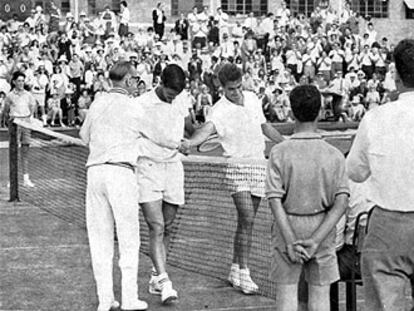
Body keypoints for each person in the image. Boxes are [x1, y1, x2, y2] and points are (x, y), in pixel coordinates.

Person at [179, 63, 284, 294]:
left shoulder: (253, 99)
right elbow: (206, 131)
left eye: (238, 87)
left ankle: (235, 268)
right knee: (246, 218)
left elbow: (265, 127)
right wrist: (190, 143)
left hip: (258, 165)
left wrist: (286, 144)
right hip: (236, 167)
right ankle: (245, 273)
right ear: (221, 87)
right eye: (230, 89)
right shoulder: (218, 110)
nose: (236, 92)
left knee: (247, 222)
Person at [265, 84, 349, 311]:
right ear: (321, 111)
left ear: (291, 112)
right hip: (322, 227)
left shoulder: (278, 152)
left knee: (286, 296)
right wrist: (316, 239)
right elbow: (341, 203)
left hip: (287, 227)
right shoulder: (334, 155)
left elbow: (274, 201)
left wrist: (291, 240)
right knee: (321, 297)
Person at [346, 39, 414, 311]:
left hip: (389, 224)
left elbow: (355, 172)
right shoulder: (375, 117)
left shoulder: (376, 118)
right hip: (388, 219)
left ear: (396, 76)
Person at [79, 61, 148, 311]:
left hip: (95, 173)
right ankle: (129, 299)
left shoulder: (97, 103)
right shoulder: (135, 106)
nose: (138, 83)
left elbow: (83, 136)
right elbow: (154, 135)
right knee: (129, 238)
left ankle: (105, 300)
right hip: (120, 173)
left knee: (100, 239)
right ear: (128, 80)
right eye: (136, 79)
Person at [133, 64, 189, 304]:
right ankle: (165, 282)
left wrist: (195, 139)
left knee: (167, 225)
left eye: (176, 94)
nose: (172, 98)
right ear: (160, 82)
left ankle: (156, 276)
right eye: (169, 93)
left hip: (173, 168)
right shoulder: (140, 105)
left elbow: (189, 127)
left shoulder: (181, 100)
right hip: (148, 167)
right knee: (156, 226)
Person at [3, 71, 36, 187]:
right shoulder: (10, 95)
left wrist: (27, 119)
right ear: (14, 82)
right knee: (14, 152)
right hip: (15, 125)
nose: (21, 83)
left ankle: (26, 179)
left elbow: (32, 108)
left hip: (26, 124)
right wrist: (11, 121)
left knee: (25, 151)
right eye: (19, 81)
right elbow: (6, 111)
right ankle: (12, 179)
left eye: (23, 81)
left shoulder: (28, 95)